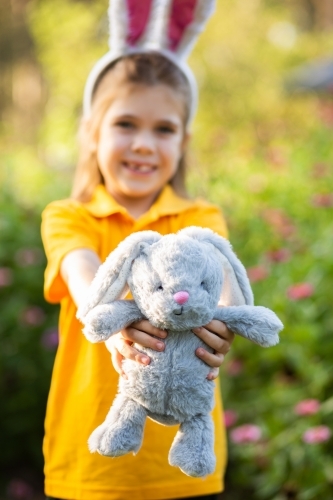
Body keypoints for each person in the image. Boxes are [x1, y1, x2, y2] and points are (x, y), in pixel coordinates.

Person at [41, 2, 234, 499]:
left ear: (184, 141)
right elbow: (83, 270)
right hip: (91, 465)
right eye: (126, 124)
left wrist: (225, 323)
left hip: (184, 467)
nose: (145, 144)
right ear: (92, 133)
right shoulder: (69, 216)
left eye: (164, 129)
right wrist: (110, 319)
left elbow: (227, 289)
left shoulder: (201, 220)